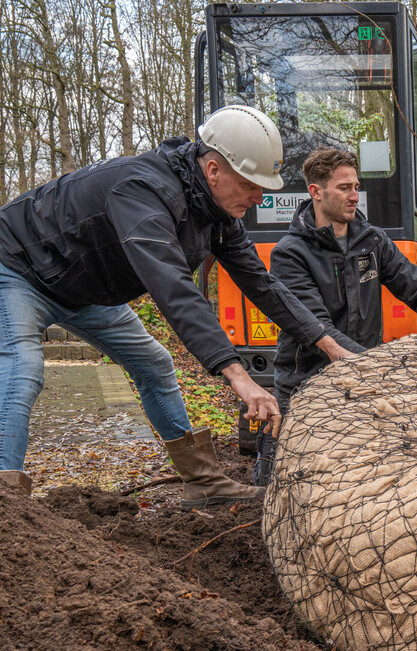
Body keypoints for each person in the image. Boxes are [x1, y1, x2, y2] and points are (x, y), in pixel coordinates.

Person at [0, 105, 354, 504]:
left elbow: (262, 284)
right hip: (17, 268)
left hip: (84, 291)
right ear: (214, 170)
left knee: (154, 364)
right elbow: (174, 289)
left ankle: (204, 484)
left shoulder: (215, 214)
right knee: (22, 365)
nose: (259, 197)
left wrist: (330, 347)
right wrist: (239, 376)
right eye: (251, 184)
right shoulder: (142, 191)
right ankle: (7, 505)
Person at [254, 147, 417, 484]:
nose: (354, 196)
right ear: (315, 192)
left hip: (361, 378)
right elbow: (320, 329)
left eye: (355, 187)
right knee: (286, 485)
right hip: (307, 385)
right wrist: (379, 367)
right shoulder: (291, 253)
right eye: (344, 188)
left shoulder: (372, 242)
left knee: (357, 480)